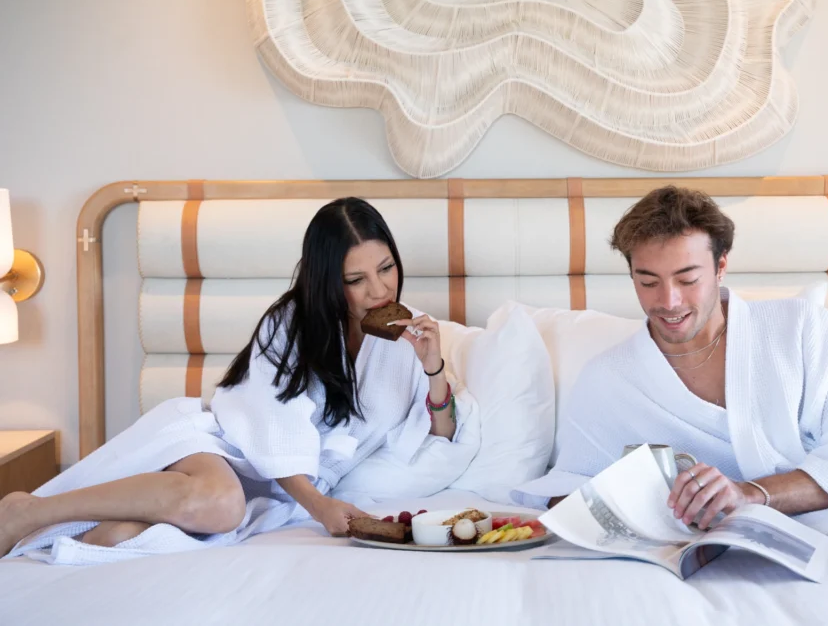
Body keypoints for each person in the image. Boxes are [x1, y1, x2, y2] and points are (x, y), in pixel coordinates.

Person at [513, 186, 828, 597]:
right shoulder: (610, 378)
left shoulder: (797, 327)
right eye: (647, 281)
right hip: (744, 540)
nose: (668, 301)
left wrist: (749, 494)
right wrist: (658, 498)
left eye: (687, 278)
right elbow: (570, 491)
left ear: (721, 266)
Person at [0, 198, 477, 564]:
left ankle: (62, 539)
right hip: (221, 447)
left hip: (269, 492)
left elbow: (436, 436)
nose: (379, 290)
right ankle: (28, 510)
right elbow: (268, 425)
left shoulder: (407, 332)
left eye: (386, 268)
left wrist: (432, 366)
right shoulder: (292, 321)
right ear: (329, 280)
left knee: (120, 538)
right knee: (221, 503)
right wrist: (319, 506)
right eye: (356, 279)